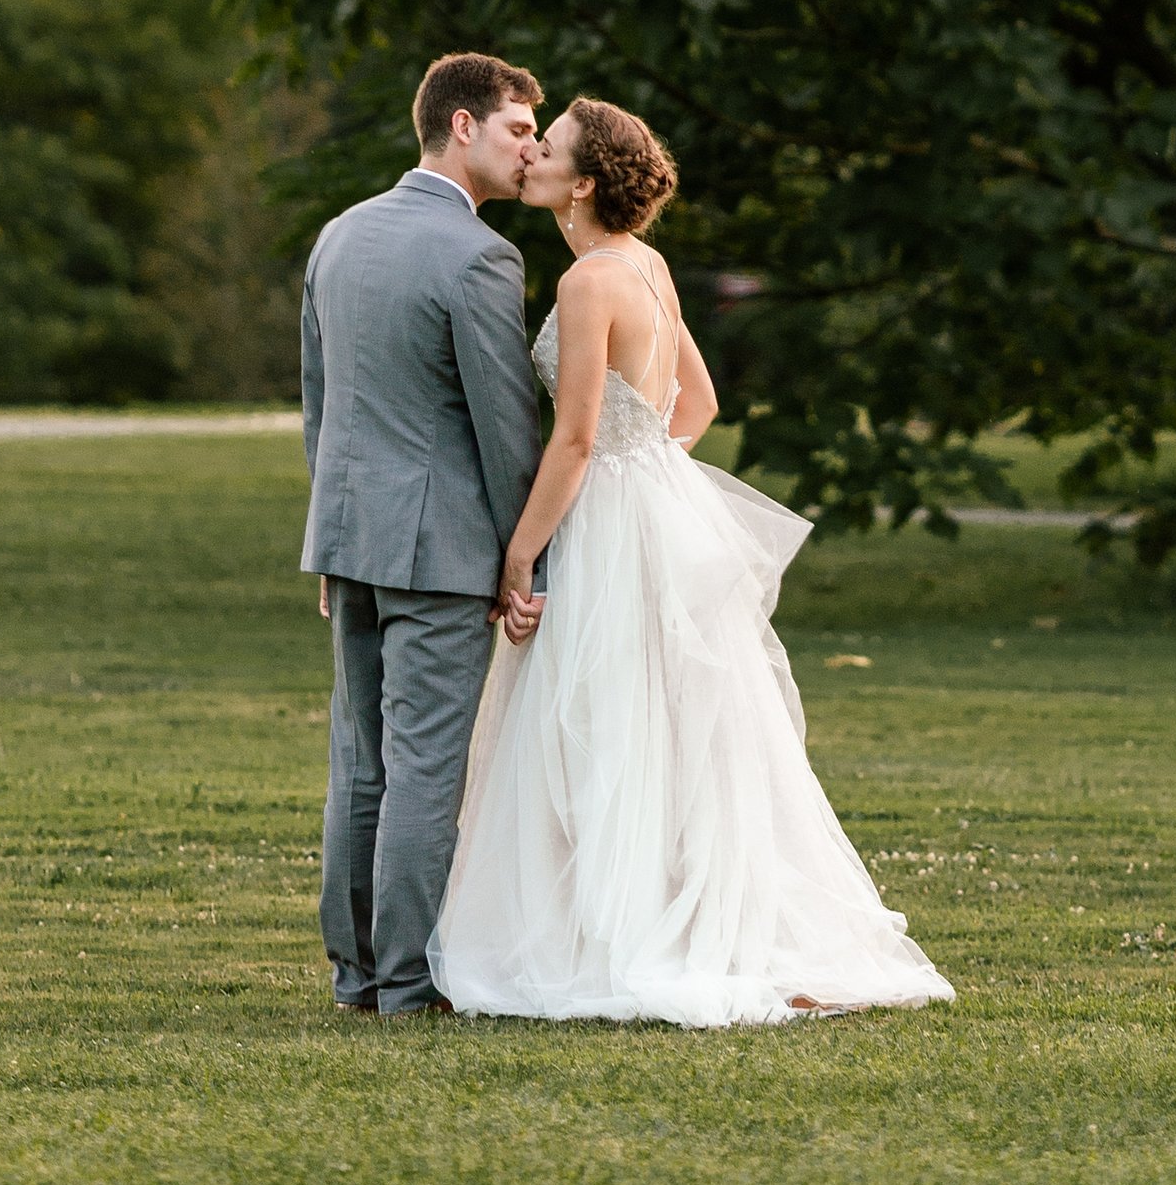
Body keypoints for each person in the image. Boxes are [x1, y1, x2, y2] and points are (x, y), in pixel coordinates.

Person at [428, 93, 954, 1026]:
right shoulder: (650, 267)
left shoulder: (589, 283)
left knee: (604, 719)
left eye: (546, 148)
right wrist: (651, 473)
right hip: (657, 509)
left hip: (612, 519)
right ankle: (680, 920)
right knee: (670, 726)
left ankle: (617, 936)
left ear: (581, 184)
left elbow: (577, 439)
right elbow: (698, 403)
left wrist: (520, 554)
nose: (532, 157)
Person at [300, 51, 543, 1018]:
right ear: (462, 127)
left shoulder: (341, 235)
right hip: (441, 553)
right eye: (519, 129)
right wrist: (529, 559)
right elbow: (505, 430)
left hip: (349, 540)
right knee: (424, 771)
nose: (529, 150)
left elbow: (321, 404)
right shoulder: (480, 255)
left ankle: (356, 974)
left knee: (362, 763)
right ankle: (407, 982)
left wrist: (328, 535)